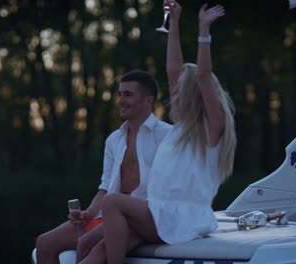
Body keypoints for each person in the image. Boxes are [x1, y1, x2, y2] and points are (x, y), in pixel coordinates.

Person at [97, 1, 237, 263]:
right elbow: (173, 68)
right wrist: (173, 22)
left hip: (181, 219)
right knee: (93, 250)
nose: (173, 93)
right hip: (161, 214)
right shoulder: (180, 130)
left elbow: (204, 76)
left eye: (180, 89)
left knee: (113, 202)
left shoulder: (210, 131)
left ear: (194, 95)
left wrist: (203, 30)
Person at [33, 70, 172, 264]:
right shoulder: (114, 140)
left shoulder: (167, 137)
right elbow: (105, 188)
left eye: (128, 94)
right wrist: (88, 213)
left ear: (148, 101)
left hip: (139, 220)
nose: (121, 100)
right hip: (106, 215)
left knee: (85, 243)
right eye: (119, 94)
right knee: (45, 243)